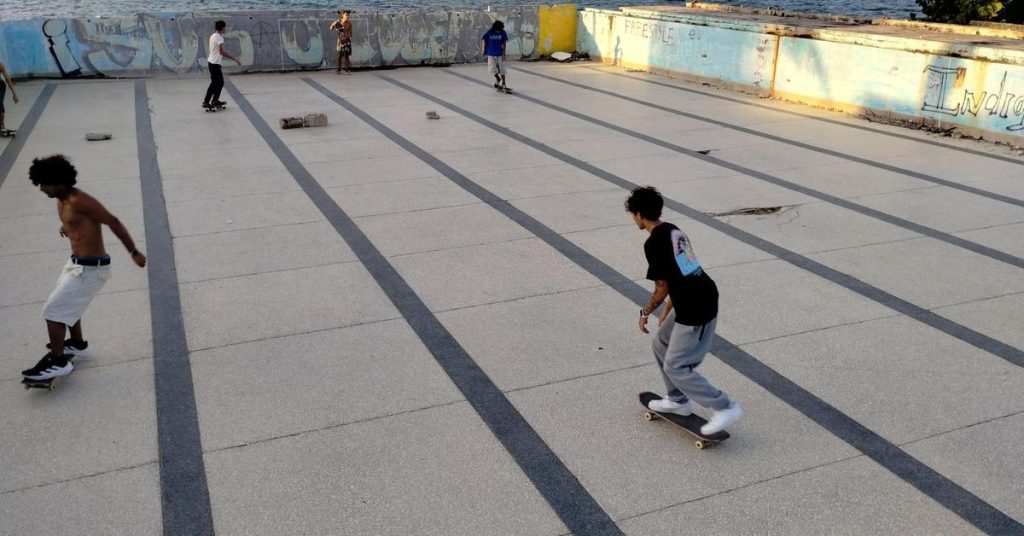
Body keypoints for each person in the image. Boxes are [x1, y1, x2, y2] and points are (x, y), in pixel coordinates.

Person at [626, 186, 743, 435]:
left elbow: (661, 288)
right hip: (695, 296)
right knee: (661, 344)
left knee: (676, 366)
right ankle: (677, 400)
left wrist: (644, 313)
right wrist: (671, 306)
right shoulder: (673, 231)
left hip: (695, 306)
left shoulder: (653, 243)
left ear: (639, 214)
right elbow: (682, 271)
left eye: (633, 214)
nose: (633, 219)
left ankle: (725, 407)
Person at [21, 155, 147, 381]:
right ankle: (77, 344)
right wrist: (68, 225)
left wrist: (133, 252)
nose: (41, 189)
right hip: (76, 265)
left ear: (59, 181)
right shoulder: (62, 200)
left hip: (91, 270)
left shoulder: (80, 200)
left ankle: (58, 362)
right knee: (67, 306)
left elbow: (113, 221)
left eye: (45, 184)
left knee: (53, 312)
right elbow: (77, 220)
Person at [203, 20, 240, 111]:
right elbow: (221, 52)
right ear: (222, 28)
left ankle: (213, 100)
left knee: (217, 83)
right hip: (215, 63)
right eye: (225, 27)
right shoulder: (219, 38)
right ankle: (208, 101)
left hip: (211, 62)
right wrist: (234, 59)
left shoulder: (213, 36)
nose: (226, 28)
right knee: (217, 83)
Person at [480, 20, 509, 91]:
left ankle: (504, 83)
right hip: (491, 53)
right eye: (497, 30)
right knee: (492, 69)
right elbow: (484, 40)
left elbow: (504, 43)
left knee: (502, 69)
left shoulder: (503, 32)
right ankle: (497, 78)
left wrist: (504, 54)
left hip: (500, 53)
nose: (498, 31)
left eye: (500, 30)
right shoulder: (489, 32)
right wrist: (483, 50)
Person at [0, 59, 19, 134]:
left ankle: (1, 125)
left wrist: (14, 94)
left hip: (0, 86)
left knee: (1, 110)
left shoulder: (1, 65)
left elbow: (8, 79)